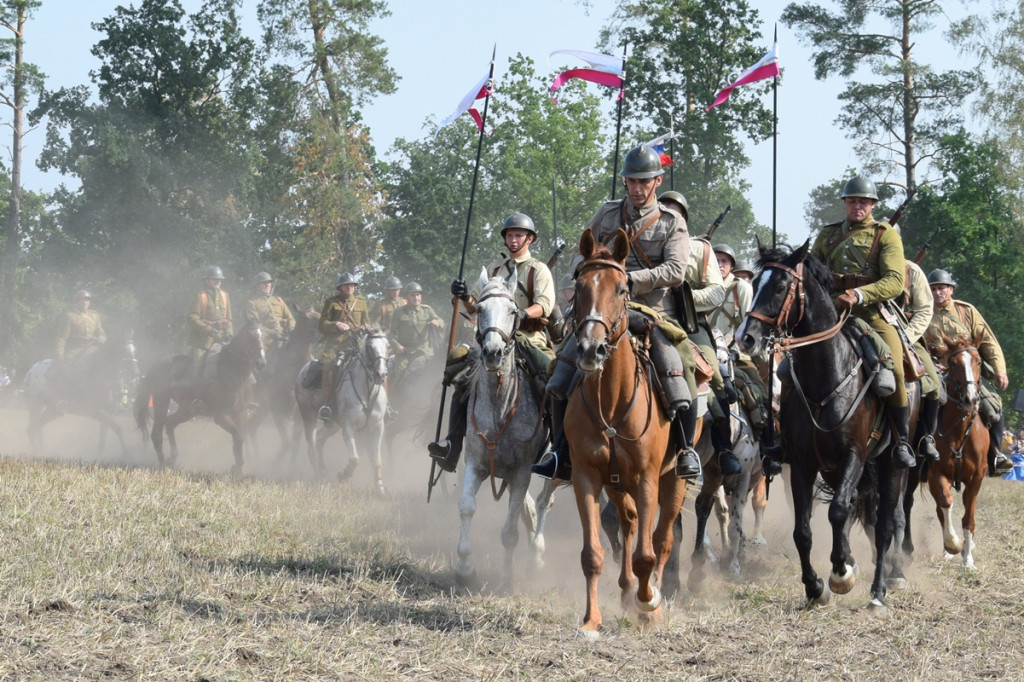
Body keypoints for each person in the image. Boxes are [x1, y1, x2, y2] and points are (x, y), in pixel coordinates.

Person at [532, 145, 702, 480]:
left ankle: (685, 450)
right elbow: (579, 256)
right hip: (603, 310)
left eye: (644, 181)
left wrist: (629, 280)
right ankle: (560, 452)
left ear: (657, 181)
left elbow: (676, 271)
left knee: (681, 366)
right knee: (561, 370)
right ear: (624, 181)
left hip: (653, 311)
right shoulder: (607, 213)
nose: (637, 188)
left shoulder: (671, 222)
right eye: (632, 181)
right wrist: (594, 274)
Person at [429, 211, 556, 473]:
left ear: (529, 239)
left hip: (529, 338)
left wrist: (522, 314)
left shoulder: (538, 269)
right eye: (509, 235)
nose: (513, 240)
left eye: (518, 235)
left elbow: (545, 304)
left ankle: (558, 452)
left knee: (553, 383)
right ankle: (452, 445)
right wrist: (463, 295)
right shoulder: (494, 270)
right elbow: (474, 304)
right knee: (462, 380)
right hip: (494, 339)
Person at [808, 177, 916, 469]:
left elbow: (894, 281)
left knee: (893, 367)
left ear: (873, 205)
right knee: (787, 367)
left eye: (864, 201)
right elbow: (810, 272)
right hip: (828, 315)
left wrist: (858, 294)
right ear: (845, 203)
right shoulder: (827, 235)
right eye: (853, 200)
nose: (858, 205)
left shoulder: (886, 235)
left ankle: (901, 440)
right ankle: (785, 437)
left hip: (870, 314)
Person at [659, 191, 741, 478]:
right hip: (648, 320)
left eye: (675, 210)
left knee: (708, 372)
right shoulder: (642, 242)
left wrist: (684, 296)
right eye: (663, 209)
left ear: (683, 217)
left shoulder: (701, 250)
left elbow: (717, 292)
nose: (669, 214)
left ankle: (722, 448)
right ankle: (564, 447)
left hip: (690, 326)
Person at [924, 268, 1013, 475]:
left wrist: (1000, 369)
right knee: (921, 405)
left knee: (993, 406)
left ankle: (997, 455)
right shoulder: (923, 312)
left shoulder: (966, 311)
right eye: (934, 289)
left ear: (951, 290)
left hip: (966, 374)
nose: (938, 293)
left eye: (942, 288)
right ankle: (919, 452)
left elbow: (989, 342)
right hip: (935, 371)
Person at [710, 243, 771, 443]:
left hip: (736, 354)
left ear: (731, 265)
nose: (720, 264)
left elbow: (749, 326)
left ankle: (767, 443)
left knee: (757, 394)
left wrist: (737, 349)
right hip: (705, 351)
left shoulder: (741, 288)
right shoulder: (701, 286)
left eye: (724, 261)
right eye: (716, 260)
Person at [316, 272, 370, 421]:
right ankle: (326, 405)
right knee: (329, 367)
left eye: (352, 285)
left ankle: (382, 406)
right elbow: (322, 325)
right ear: (340, 287)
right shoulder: (331, 302)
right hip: (335, 346)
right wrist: (336, 324)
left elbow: (367, 322)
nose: (350, 287)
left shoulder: (361, 302)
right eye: (347, 285)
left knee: (375, 367)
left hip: (356, 346)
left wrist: (363, 328)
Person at [901, 259, 940, 461]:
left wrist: (905, 336)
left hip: (904, 333)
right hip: (851, 325)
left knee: (933, 385)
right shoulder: (858, 263)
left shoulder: (910, 270)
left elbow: (924, 310)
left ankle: (925, 437)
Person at [187, 266, 233, 390]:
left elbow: (229, 319)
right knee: (198, 366)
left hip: (222, 340)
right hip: (203, 342)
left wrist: (229, 332)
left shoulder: (225, 295)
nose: (218, 281)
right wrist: (208, 329)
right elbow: (192, 318)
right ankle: (196, 396)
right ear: (207, 280)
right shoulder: (200, 296)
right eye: (215, 279)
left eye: (220, 279)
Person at [390, 281, 444, 387]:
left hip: (424, 351)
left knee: (423, 372)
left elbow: (441, 321)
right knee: (398, 374)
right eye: (412, 295)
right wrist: (397, 346)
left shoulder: (427, 310)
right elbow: (391, 333)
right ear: (406, 297)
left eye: (418, 295)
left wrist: (437, 322)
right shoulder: (399, 312)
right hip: (405, 352)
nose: (416, 298)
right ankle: (393, 399)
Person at [245, 272, 295, 350]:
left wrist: (291, 328)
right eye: (264, 283)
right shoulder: (252, 303)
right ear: (257, 285)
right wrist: (271, 333)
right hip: (267, 342)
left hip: (285, 337)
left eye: (269, 283)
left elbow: (291, 318)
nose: (267, 285)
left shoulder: (278, 300)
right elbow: (255, 325)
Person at [56, 289, 107, 365]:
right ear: (77, 302)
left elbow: (102, 334)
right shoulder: (70, 316)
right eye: (82, 300)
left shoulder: (94, 315)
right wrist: (60, 355)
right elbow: (62, 338)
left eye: (86, 300)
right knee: (70, 369)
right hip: (76, 350)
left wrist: (100, 339)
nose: (84, 303)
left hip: (92, 348)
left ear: (89, 302)